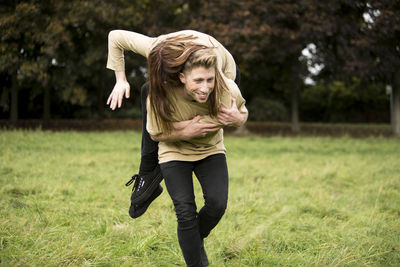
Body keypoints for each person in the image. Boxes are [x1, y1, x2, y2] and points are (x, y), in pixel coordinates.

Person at [106, 30, 242, 219]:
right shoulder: (155, 47)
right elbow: (115, 37)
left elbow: (224, 111)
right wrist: (120, 80)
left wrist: (235, 117)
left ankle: (193, 164)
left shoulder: (212, 73)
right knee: (149, 90)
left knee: (198, 112)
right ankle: (147, 174)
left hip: (226, 72)